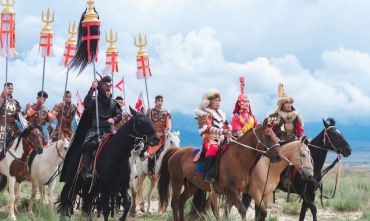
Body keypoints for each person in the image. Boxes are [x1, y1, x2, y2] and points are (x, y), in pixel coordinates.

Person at [67, 76, 122, 179]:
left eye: (110, 85)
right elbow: (86, 104)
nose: (108, 88)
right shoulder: (94, 100)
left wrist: (113, 119)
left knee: (120, 144)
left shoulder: (114, 103)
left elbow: (119, 115)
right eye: (105, 85)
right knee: (88, 144)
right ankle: (86, 169)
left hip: (109, 130)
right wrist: (92, 89)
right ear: (101, 86)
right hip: (96, 129)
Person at [194, 89, 232, 183]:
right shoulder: (204, 113)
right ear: (209, 101)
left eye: (219, 100)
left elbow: (226, 126)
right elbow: (207, 128)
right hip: (209, 139)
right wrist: (223, 131)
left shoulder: (221, 114)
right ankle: (207, 174)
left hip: (222, 139)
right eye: (215, 100)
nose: (218, 102)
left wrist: (230, 131)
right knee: (214, 148)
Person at [146, 95, 171, 176]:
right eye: (158, 101)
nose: (160, 102)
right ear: (155, 102)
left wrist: (165, 132)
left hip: (163, 138)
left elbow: (168, 125)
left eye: (161, 101)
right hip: (153, 138)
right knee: (151, 153)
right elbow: (146, 122)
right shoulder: (151, 111)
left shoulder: (167, 113)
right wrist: (147, 114)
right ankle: (150, 169)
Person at [0, 83, 21, 152]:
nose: (11, 90)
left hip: (12, 129)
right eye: (9, 88)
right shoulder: (1, 99)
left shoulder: (16, 102)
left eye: (12, 89)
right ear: (4, 88)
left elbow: (19, 117)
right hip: (1, 127)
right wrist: (2, 96)